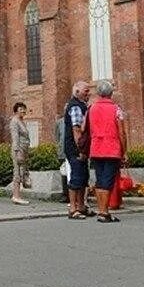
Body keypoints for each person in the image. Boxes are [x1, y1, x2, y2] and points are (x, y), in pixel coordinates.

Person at [82, 80, 127, 223]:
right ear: (111, 93)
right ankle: (104, 211)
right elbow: (122, 132)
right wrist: (124, 151)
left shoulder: (91, 108)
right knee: (108, 181)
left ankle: (102, 210)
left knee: (100, 180)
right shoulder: (116, 109)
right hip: (111, 148)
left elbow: (84, 128)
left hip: (96, 148)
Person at [63, 81, 92, 219]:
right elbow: (77, 130)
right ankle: (73, 208)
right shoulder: (75, 106)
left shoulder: (82, 105)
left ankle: (81, 206)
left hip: (80, 147)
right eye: (86, 90)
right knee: (76, 177)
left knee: (83, 177)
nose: (89, 93)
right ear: (77, 92)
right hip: (75, 148)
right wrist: (80, 149)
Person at [9, 102, 31, 205]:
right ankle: (16, 196)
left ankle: (17, 195)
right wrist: (18, 152)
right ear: (16, 110)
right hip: (18, 149)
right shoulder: (14, 121)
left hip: (24, 149)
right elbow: (15, 137)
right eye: (21, 109)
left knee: (22, 171)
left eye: (24, 109)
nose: (23, 111)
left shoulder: (22, 121)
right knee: (17, 172)